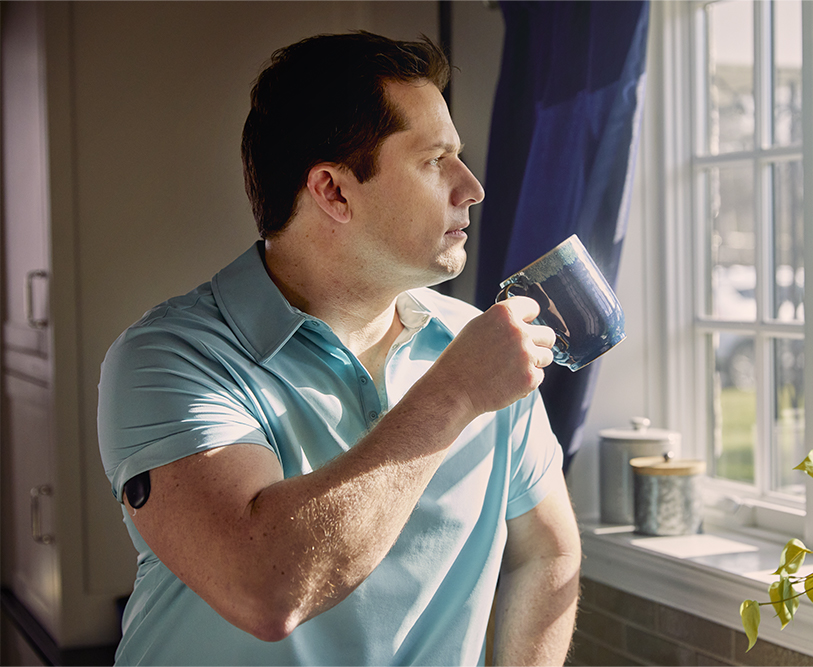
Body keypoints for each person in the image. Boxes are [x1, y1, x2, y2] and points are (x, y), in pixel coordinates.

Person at [98, 32, 581, 666]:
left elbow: (546, 552)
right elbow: (267, 590)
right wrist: (456, 392)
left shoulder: (480, 345)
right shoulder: (169, 360)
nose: (472, 187)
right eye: (435, 160)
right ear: (333, 191)